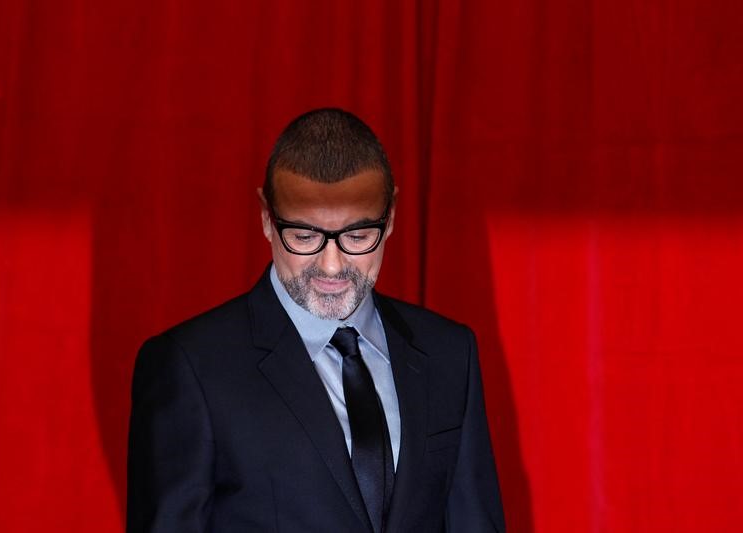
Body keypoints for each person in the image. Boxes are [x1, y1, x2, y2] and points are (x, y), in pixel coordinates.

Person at [126, 108, 505, 532]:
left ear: (391, 216)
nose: (330, 266)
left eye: (358, 236)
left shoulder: (449, 352)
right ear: (267, 218)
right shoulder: (190, 366)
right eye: (304, 237)